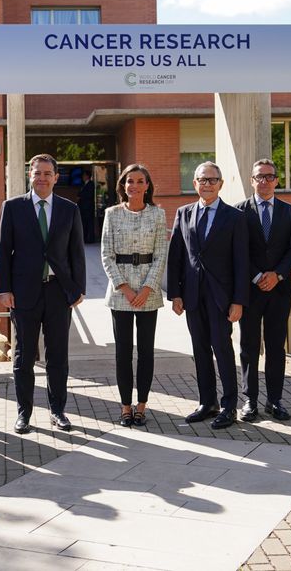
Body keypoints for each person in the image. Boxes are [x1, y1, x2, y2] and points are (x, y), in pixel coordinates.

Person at [0, 154, 86, 434]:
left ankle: (58, 411)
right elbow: (3, 250)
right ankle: (24, 414)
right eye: (38, 173)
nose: (43, 178)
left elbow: (76, 253)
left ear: (56, 177)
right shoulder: (12, 207)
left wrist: (78, 289)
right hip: (23, 294)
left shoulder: (69, 209)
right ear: (29, 175)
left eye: (48, 173)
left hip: (59, 292)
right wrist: (3, 289)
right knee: (23, 357)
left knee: (57, 357)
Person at [167, 161, 249, 430]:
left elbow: (241, 262)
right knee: (199, 349)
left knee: (222, 349)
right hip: (192, 295)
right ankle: (207, 402)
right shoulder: (184, 213)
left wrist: (238, 300)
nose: (207, 184)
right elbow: (176, 256)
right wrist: (175, 294)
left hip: (221, 297)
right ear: (195, 184)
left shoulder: (234, 217)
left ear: (221, 184)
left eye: (212, 180)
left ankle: (228, 406)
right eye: (202, 180)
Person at [100, 164, 168, 427]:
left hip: (148, 293)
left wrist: (148, 287)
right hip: (121, 294)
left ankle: (142, 406)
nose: (135, 186)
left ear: (147, 186)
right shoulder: (112, 214)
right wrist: (126, 289)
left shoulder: (158, 214)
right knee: (123, 353)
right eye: (130, 181)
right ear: (123, 185)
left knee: (146, 352)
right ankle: (125, 406)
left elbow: (161, 254)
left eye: (140, 181)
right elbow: (106, 255)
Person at [236, 159, 291, 423]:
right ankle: (249, 400)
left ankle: (275, 400)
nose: (264, 181)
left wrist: (278, 274)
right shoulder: (238, 211)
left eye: (269, 177)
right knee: (249, 346)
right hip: (250, 290)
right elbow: (238, 251)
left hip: (279, 289)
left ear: (276, 181)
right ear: (252, 180)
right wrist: (258, 275)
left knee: (276, 346)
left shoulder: (289, 212)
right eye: (259, 177)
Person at [77, 171, 97, 244]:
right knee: (84, 223)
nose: (83, 177)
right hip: (83, 207)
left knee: (89, 223)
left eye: (84, 175)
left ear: (87, 176)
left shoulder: (91, 184)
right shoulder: (83, 184)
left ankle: (90, 239)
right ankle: (84, 238)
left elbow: (89, 195)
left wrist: (81, 197)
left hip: (88, 207)